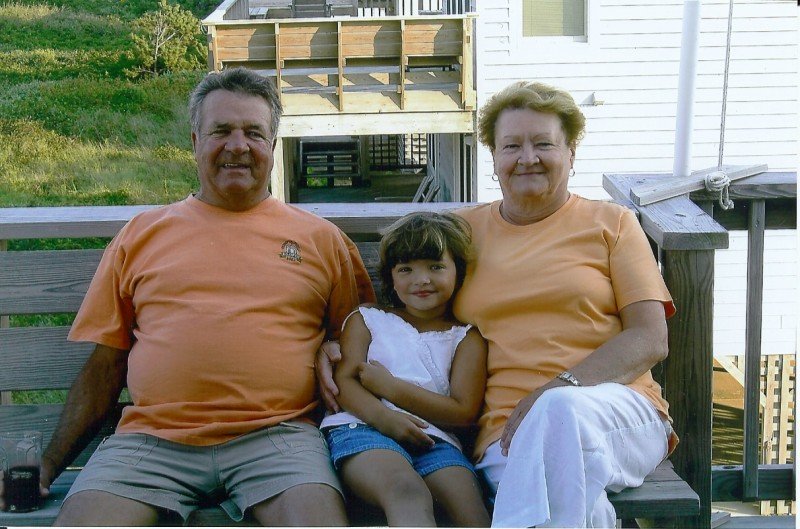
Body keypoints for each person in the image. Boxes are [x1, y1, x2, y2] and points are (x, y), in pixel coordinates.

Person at [0, 67, 374, 526]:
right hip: (150, 441)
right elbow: (105, 365)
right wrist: (50, 464)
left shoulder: (322, 240)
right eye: (221, 130)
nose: (237, 145)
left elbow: (368, 338)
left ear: (272, 148)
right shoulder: (141, 234)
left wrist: (330, 345)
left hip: (279, 439)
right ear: (195, 141)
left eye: (253, 132)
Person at [319, 81, 678, 528]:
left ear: (571, 152)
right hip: (506, 436)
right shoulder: (460, 233)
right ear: (494, 158)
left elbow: (649, 338)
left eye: (544, 143)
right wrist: (329, 344)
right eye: (512, 146)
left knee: (560, 416)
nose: (528, 157)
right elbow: (392, 312)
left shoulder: (613, 224)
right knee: (572, 504)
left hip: (615, 412)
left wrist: (560, 387)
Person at [320, 212, 490, 527]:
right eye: (406, 269)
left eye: (436, 267)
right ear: (391, 278)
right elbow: (343, 381)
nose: (421, 279)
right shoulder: (368, 319)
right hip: (363, 429)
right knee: (406, 491)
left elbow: (463, 411)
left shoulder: (466, 337)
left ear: (458, 271)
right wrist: (386, 418)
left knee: (471, 511)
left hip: (436, 441)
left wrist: (390, 388)